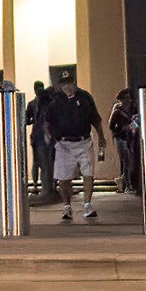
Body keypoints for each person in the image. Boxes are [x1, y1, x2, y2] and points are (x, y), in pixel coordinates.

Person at [37, 69, 104, 222]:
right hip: (64, 144)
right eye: (64, 84)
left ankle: (87, 205)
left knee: (88, 173)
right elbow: (47, 120)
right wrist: (48, 134)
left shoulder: (85, 97)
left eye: (70, 83)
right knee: (63, 178)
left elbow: (95, 118)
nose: (68, 87)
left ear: (74, 83)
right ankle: (66, 206)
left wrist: (101, 137)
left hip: (83, 141)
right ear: (60, 86)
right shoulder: (56, 102)